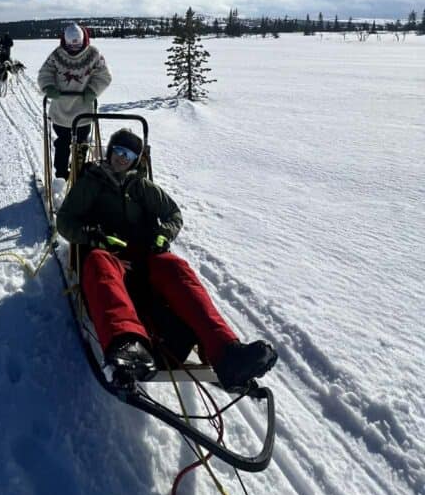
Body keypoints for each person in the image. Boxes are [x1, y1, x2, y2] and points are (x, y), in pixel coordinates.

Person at [56, 128, 278, 391]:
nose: (122, 158)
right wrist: (93, 236)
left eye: (129, 154)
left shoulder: (142, 186)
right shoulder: (91, 182)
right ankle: (127, 347)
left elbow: (173, 213)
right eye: (118, 151)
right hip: (107, 254)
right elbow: (65, 222)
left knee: (174, 266)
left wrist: (163, 236)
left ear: (136, 159)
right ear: (110, 151)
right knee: (99, 263)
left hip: (144, 258)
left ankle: (226, 351)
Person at [38, 24, 112, 194]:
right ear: (64, 41)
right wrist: (48, 86)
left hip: (84, 110)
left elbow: (104, 75)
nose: (74, 49)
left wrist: (93, 90)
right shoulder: (57, 55)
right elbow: (45, 73)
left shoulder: (94, 54)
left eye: (77, 45)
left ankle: (78, 174)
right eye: (71, 45)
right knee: (63, 145)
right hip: (61, 110)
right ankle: (61, 177)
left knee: (81, 145)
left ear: (83, 40)